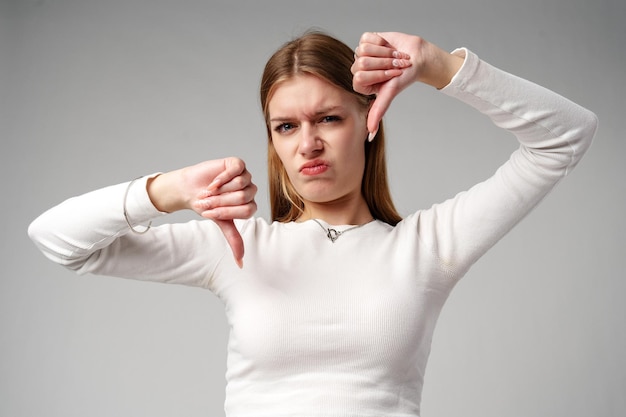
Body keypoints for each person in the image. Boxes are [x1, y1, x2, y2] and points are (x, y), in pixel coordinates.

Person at [28, 30, 598, 416]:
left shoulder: (426, 247)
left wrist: (437, 64)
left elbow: (566, 135)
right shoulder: (236, 245)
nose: (309, 145)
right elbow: (57, 241)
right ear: (273, 142)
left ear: (369, 120)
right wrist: (169, 191)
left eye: (328, 118)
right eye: (286, 127)